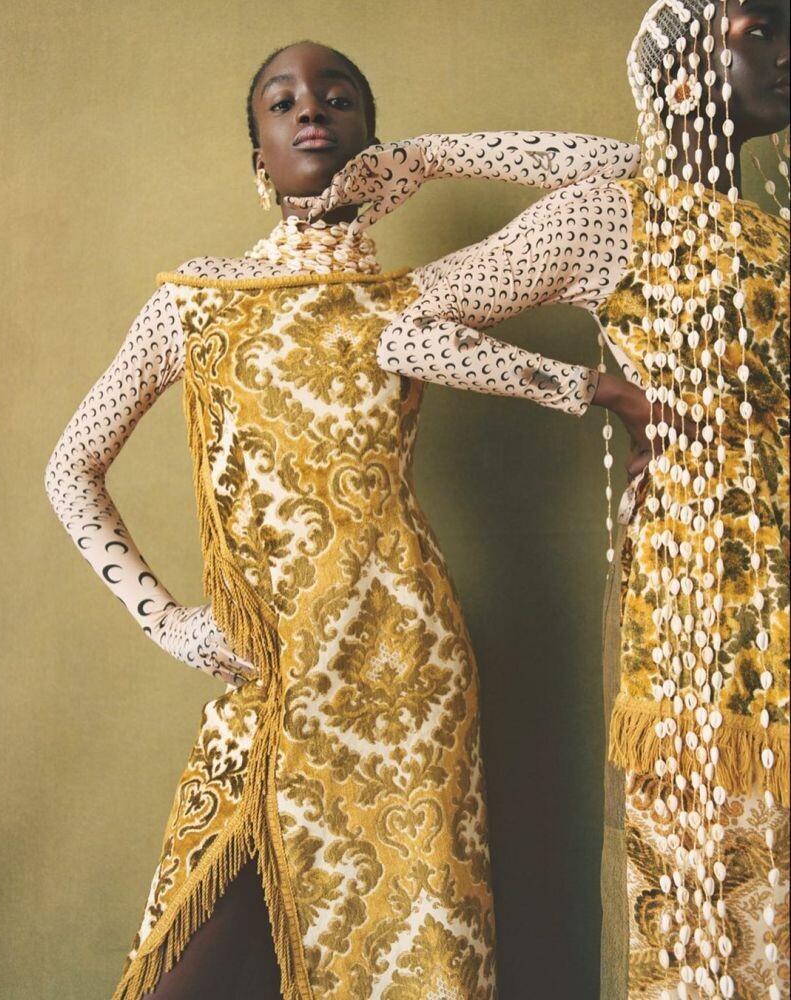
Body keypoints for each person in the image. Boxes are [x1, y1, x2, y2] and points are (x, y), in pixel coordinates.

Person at [44, 40, 642, 1000]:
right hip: (273, 676)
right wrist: (169, 622)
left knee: (407, 956)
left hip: (407, 672)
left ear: (372, 140)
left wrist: (431, 155)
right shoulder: (195, 303)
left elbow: (620, 173)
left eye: (338, 99)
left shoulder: (412, 302)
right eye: (282, 104)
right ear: (259, 158)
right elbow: (69, 468)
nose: (311, 112)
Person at [300, 1, 790, 996]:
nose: (787, 52)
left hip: (776, 563)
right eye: (762, 31)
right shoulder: (614, 214)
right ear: (688, 73)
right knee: (720, 876)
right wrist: (603, 391)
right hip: (703, 592)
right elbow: (408, 331)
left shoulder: (765, 230)